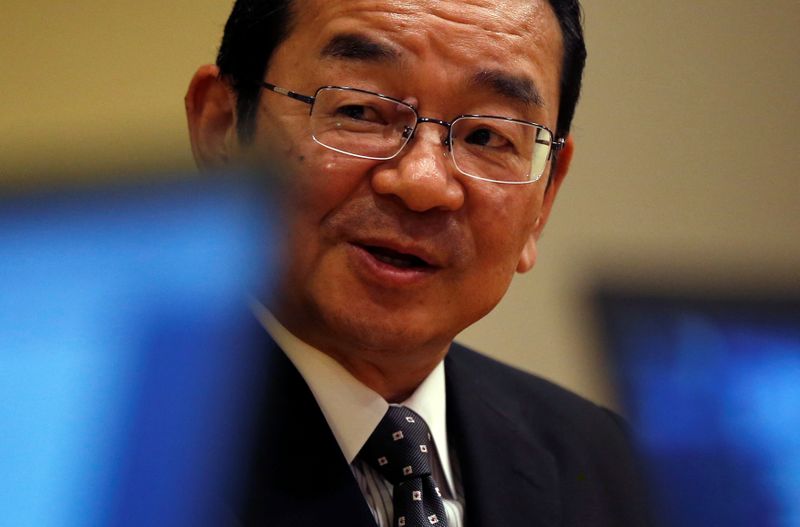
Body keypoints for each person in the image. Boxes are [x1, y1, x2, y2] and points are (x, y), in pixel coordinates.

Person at [185, 0, 650, 525]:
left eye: (486, 137)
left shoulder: (611, 468)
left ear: (544, 198)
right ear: (221, 129)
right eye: (361, 110)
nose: (423, 183)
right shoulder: (108, 453)